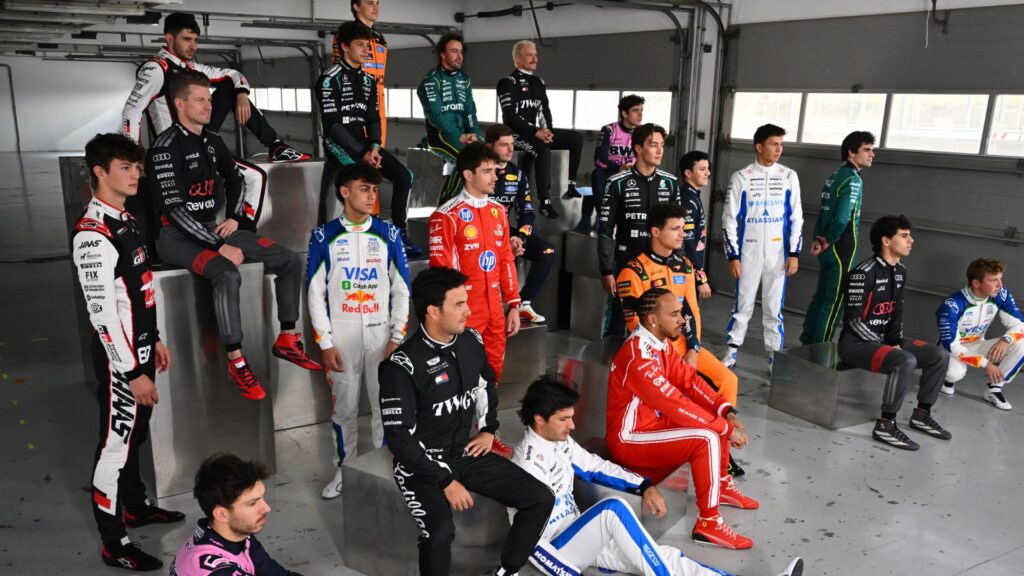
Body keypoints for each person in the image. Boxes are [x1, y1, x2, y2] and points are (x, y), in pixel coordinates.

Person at [514, 376, 805, 576]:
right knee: (613, 511)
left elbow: (596, 466)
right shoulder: (526, 463)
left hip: (581, 533)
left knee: (662, 555)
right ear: (539, 418)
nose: (572, 425)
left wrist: (645, 486)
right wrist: (562, 569)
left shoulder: (560, 442)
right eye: (564, 419)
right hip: (558, 551)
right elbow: (526, 536)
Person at [147, 70, 321, 401]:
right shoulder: (164, 148)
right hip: (176, 238)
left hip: (215, 229)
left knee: (287, 259)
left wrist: (234, 219)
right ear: (179, 103)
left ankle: (287, 337)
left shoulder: (212, 140)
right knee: (226, 272)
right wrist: (219, 244)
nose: (208, 106)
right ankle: (236, 361)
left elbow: (237, 180)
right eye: (200, 100)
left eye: (210, 100)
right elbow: (174, 210)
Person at [379, 267, 554, 576]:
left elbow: (485, 385)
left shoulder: (471, 339)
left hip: (466, 453)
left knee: (540, 498)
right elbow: (399, 439)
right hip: (422, 465)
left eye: (466, 302)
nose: (469, 311)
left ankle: (507, 571)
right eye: (459, 304)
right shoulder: (401, 365)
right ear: (433, 311)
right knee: (440, 534)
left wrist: (488, 430)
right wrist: (445, 480)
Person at [74, 133, 183, 572]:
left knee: (136, 435)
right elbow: (103, 316)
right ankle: (113, 542)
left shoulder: (125, 217)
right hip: (122, 362)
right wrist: (132, 371)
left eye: (137, 166)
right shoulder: (93, 233)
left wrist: (152, 337)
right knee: (114, 448)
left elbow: (135, 293)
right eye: (125, 167)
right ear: (100, 171)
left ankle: (135, 507)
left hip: (140, 349)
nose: (136, 174)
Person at [606, 288, 759, 550]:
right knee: (708, 436)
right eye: (675, 314)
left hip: (652, 427)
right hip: (630, 439)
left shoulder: (659, 344)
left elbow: (688, 381)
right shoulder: (637, 354)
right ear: (653, 319)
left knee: (714, 419)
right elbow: (674, 404)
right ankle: (708, 525)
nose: (682, 320)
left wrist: (725, 411)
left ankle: (720, 485)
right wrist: (723, 428)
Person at [617, 202, 745, 477]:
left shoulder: (684, 265)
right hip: (656, 351)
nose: (681, 235)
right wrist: (676, 359)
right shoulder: (633, 271)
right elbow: (636, 325)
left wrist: (695, 349)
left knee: (728, 380)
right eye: (675, 229)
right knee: (685, 392)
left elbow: (693, 310)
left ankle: (723, 450)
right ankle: (698, 444)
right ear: (655, 231)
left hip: (685, 344)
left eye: (683, 229)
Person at [306, 164, 411, 498]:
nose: (372, 196)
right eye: (364, 189)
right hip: (342, 338)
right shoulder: (323, 236)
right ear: (345, 192)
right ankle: (345, 471)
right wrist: (324, 342)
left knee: (385, 408)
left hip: (382, 338)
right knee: (344, 410)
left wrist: (397, 337)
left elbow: (402, 290)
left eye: (375, 190)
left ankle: (383, 470)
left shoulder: (389, 234)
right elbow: (314, 293)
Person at [122, 12, 307, 163]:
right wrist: (131, 158)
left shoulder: (191, 67)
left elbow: (233, 74)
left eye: (195, 40)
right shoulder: (155, 68)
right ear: (169, 39)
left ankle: (275, 146)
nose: (193, 46)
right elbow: (132, 111)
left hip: (199, 137)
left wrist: (242, 94)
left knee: (230, 86)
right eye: (187, 39)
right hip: (174, 147)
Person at [838, 215, 952, 451]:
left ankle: (922, 414)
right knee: (905, 360)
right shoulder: (862, 273)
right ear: (886, 241)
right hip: (855, 345)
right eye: (904, 235)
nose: (911, 240)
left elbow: (896, 313)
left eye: (910, 235)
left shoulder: (900, 271)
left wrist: (895, 341)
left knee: (938, 354)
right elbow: (853, 320)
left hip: (883, 343)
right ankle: (886, 424)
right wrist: (884, 345)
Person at [317, 21, 420, 257]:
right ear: (344, 46)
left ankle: (399, 232)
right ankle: (354, 236)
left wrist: (374, 147)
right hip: (338, 144)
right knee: (361, 180)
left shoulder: (367, 80)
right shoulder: (327, 80)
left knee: (404, 176)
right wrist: (363, 154)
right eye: (360, 45)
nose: (366, 50)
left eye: (368, 46)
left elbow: (374, 120)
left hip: (364, 144)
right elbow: (332, 126)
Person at [429, 142, 521, 383]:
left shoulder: (499, 211)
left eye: (496, 171)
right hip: (464, 310)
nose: (495, 178)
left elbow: (505, 260)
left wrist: (513, 303)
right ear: (469, 175)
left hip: (496, 310)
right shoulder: (446, 215)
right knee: (463, 375)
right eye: (487, 172)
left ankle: (486, 421)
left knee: (493, 373)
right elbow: (440, 272)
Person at [721, 124, 803, 372]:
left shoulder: (789, 175)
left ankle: (773, 356)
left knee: (773, 308)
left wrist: (794, 253)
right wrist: (733, 256)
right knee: (742, 306)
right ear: (759, 146)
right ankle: (731, 353)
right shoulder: (741, 177)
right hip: (748, 253)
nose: (779, 149)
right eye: (774, 144)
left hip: (778, 255)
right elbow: (728, 219)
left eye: (781, 144)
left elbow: (796, 217)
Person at [598, 123, 681, 338]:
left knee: (660, 324)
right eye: (653, 145)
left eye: (662, 145)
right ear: (638, 148)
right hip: (626, 264)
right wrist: (606, 269)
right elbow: (606, 229)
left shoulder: (670, 183)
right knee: (619, 324)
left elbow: (680, 229)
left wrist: (680, 262)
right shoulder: (617, 183)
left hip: (662, 267)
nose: (659, 150)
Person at [800, 131, 876, 345]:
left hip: (827, 245)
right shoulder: (852, 180)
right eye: (867, 150)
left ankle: (807, 343)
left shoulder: (835, 175)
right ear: (851, 152)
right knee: (834, 302)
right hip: (840, 247)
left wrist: (819, 239)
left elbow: (823, 212)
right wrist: (828, 240)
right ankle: (818, 350)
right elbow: (842, 218)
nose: (872, 154)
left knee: (822, 296)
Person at [169, 454, 302, 575]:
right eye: (252, 503)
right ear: (221, 514)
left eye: (262, 497)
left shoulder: (238, 535)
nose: (266, 508)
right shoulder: (217, 571)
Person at [497, 39, 584, 218]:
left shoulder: (538, 81)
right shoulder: (508, 82)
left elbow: (544, 110)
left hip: (536, 133)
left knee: (576, 138)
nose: (534, 58)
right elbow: (510, 117)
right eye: (529, 54)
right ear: (518, 58)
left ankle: (571, 184)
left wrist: (548, 131)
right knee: (542, 149)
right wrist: (536, 131)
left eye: (536, 55)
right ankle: (544, 202)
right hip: (516, 136)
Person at [484, 123, 555, 324]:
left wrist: (520, 237)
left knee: (547, 252)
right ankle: (498, 308)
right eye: (503, 145)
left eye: (512, 144)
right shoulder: (478, 170)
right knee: (508, 256)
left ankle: (523, 303)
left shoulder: (518, 174)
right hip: (481, 233)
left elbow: (527, 211)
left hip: (507, 232)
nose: (510, 149)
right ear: (490, 146)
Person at [937, 258, 1024, 410]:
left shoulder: (1000, 294)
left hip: (978, 344)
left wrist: (1006, 340)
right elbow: (951, 345)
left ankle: (994, 389)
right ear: (976, 283)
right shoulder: (953, 304)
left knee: (1020, 343)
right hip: (952, 350)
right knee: (954, 373)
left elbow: (1020, 324)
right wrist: (986, 364)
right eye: (993, 280)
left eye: (1000, 279)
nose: (1000, 285)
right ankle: (944, 379)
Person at [417, 33, 484, 205]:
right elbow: (435, 116)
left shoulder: (464, 79)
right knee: (466, 160)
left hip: (463, 134)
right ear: (442, 54)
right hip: (440, 136)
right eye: (454, 51)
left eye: (461, 52)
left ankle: (478, 203)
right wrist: (459, 136)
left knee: (490, 153)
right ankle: (447, 205)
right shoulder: (431, 80)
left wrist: (474, 134)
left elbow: (470, 111)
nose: (460, 56)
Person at [575, 94, 644, 233]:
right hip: (609, 172)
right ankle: (593, 218)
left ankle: (602, 219)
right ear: (624, 113)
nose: (640, 114)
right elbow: (599, 159)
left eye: (642, 110)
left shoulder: (643, 133)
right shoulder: (609, 130)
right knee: (597, 174)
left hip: (632, 174)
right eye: (636, 110)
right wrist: (619, 167)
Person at [332, 0, 389, 147]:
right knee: (358, 157)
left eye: (377, 3)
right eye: (370, 3)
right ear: (356, 6)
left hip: (378, 104)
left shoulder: (380, 38)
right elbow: (340, 71)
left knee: (377, 154)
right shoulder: (346, 35)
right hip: (356, 104)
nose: (376, 7)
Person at [678, 150, 713, 300]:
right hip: (685, 271)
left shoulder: (693, 196)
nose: (708, 173)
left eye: (708, 168)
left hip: (690, 269)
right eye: (702, 169)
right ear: (688, 173)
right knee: (686, 319)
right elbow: (688, 242)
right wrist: (701, 278)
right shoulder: (687, 200)